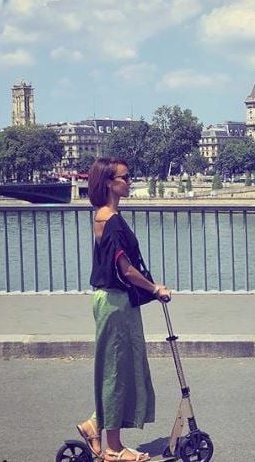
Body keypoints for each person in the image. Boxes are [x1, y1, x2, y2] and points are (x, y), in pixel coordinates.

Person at [75, 157, 172, 462]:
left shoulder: (103, 215)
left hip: (112, 301)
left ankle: (96, 423)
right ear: (108, 182)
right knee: (117, 371)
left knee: (118, 369)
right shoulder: (112, 220)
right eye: (125, 178)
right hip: (115, 302)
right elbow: (126, 269)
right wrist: (155, 288)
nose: (130, 182)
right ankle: (114, 449)